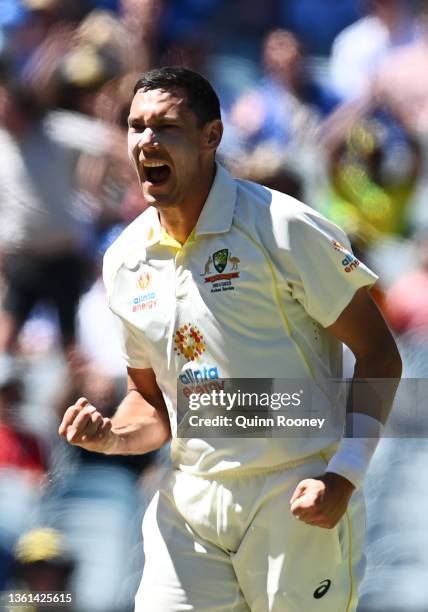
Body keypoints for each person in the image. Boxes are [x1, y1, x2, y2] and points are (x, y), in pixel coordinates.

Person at [58, 67, 402, 611]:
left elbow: (380, 353)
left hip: (296, 492)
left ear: (211, 136)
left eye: (166, 127)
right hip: (192, 498)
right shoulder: (124, 260)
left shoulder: (282, 227)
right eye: (136, 126)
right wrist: (113, 436)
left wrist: (344, 477)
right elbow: (151, 404)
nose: (146, 141)